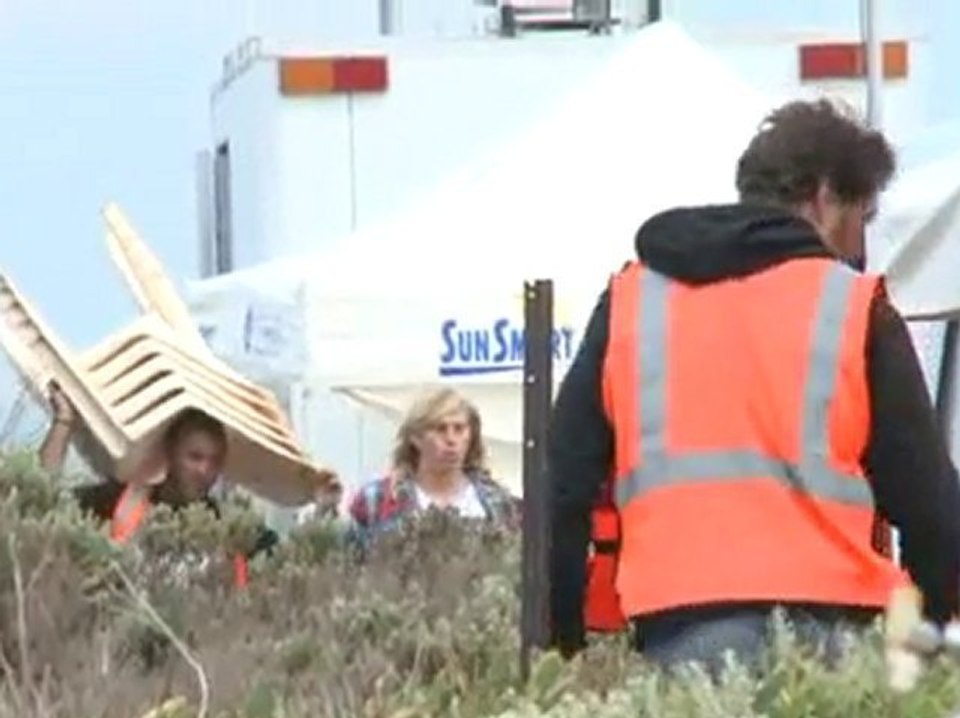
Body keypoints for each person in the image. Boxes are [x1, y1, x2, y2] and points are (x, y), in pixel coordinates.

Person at [547, 98, 960, 674]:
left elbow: (563, 481)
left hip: (681, 626)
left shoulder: (632, 303)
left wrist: (560, 639)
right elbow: (930, 504)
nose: (857, 247)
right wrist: (933, 646)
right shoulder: (853, 308)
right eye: (860, 220)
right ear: (822, 198)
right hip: (830, 632)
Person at [39, 382, 277, 583]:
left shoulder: (228, 527)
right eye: (195, 457)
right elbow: (40, 499)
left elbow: (281, 559)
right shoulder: (119, 501)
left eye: (214, 461)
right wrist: (64, 422)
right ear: (170, 454)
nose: (205, 470)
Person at [346, 387, 520, 547]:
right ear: (416, 438)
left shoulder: (498, 502)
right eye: (440, 429)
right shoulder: (376, 500)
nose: (451, 440)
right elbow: (348, 568)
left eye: (459, 429)